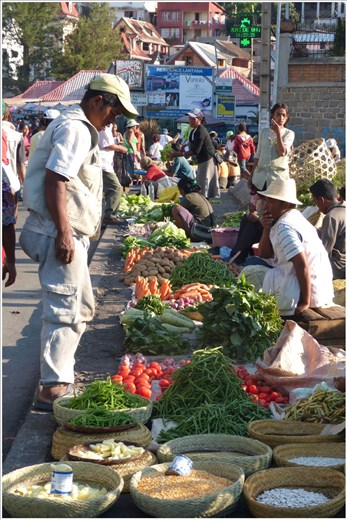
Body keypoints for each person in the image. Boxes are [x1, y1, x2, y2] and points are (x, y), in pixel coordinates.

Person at [19, 73, 139, 410]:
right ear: (98, 101)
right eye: (113, 113)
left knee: (81, 305)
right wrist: (65, 231)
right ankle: (53, 388)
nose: (112, 121)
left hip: (60, 229)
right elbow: (57, 179)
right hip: (56, 230)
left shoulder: (82, 128)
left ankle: (60, 378)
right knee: (65, 307)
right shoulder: (76, 129)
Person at [241, 178, 334, 316]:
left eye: (271, 202)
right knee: (253, 262)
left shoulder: (285, 227)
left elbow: (301, 264)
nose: (266, 206)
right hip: (311, 285)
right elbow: (264, 254)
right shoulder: (292, 218)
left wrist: (305, 302)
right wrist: (266, 229)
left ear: (284, 204)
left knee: (249, 273)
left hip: (308, 291)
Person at [170, 108, 220, 199]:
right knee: (201, 183)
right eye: (189, 118)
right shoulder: (194, 131)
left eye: (193, 118)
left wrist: (177, 155)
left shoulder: (201, 131)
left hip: (207, 160)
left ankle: (204, 204)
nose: (190, 120)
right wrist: (183, 147)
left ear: (199, 119)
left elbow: (195, 151)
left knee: (204, 184)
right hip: (202, 160)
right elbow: (189, 142)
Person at [250, 103, 295, 191]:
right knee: (260, 204)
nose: (281, 118)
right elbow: (258, 155)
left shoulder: (289, 134)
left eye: (283, 115)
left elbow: (282, 152)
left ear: (286, 118)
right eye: (278, 114)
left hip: (278, 178)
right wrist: (252, 176)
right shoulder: (264, 132)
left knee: (274, 204)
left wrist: (278, 133)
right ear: (273, 116)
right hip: (261, 178)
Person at [309, 179, 345, 280]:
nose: (317, 206)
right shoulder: (343, 208)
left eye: (315, 201)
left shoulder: (331, 217)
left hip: (337, 267)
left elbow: (324, 251)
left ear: (321, 200)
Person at [98, 122, 128, 225]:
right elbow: (106, 145)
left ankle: (103, 219)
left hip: (105, 164)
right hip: (103, 165)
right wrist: (120, 148)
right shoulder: (104, 128)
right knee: (116, 188)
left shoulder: (108, 129)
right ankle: (110, 215)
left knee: (102, 192)